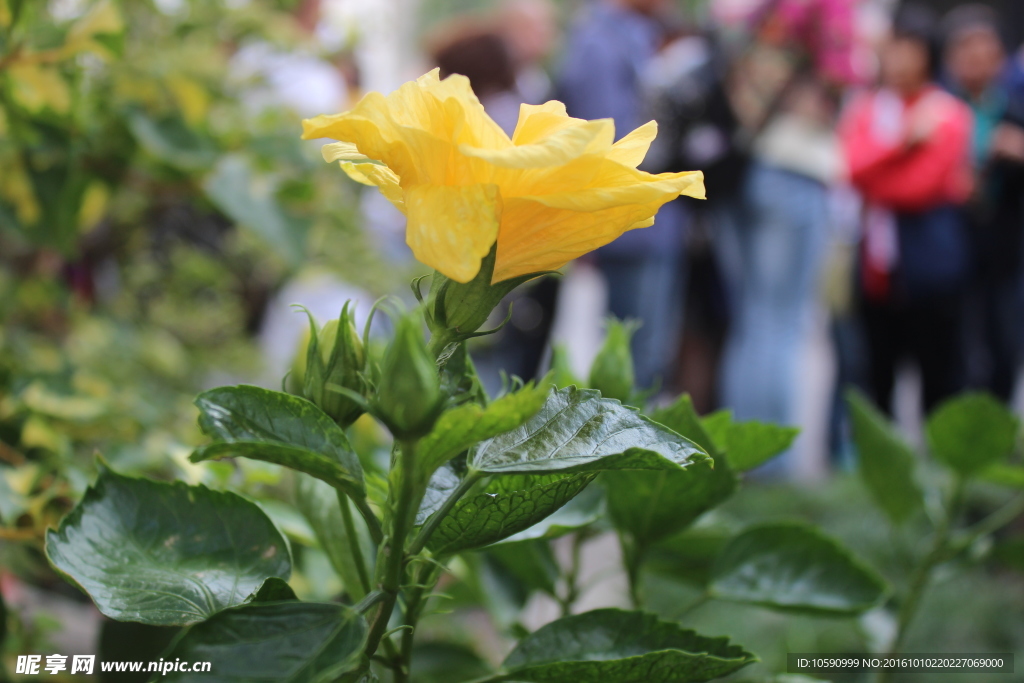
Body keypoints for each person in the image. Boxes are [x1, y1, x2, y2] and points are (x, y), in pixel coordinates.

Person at [711, 0, 861, 444]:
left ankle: (738, 454)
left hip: (749, 168)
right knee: (784, 323)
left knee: (753, 319)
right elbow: (840, 72)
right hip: (796, 167)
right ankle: (771, 464)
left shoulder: (759, 12)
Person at [840, 5, 974, 415]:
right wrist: (903, 144)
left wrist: (875, 174)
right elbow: (850, 165)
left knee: (938, 376)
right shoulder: (868, 107)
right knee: (877, 375)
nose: (896, 59)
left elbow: (920, 187)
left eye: (907, 48)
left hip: (930, 267)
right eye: (892, 48)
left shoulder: (947, 111)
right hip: (875, 270)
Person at [557, 0, 686, 390]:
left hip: (650, 218)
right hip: (629, 222)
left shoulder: (628, 35)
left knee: (645, 353)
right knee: (631, 358)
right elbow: (610, 139)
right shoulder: (599, 41)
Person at [943, 5, 1024, 402]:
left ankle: (1001, 433)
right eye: (966, 50)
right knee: (957, 345)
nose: (976, 60)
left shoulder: (1014, 108)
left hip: (1006, 247)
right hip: (952, 246)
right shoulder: (940, 110)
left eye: (985, 50)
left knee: (1004, 341)